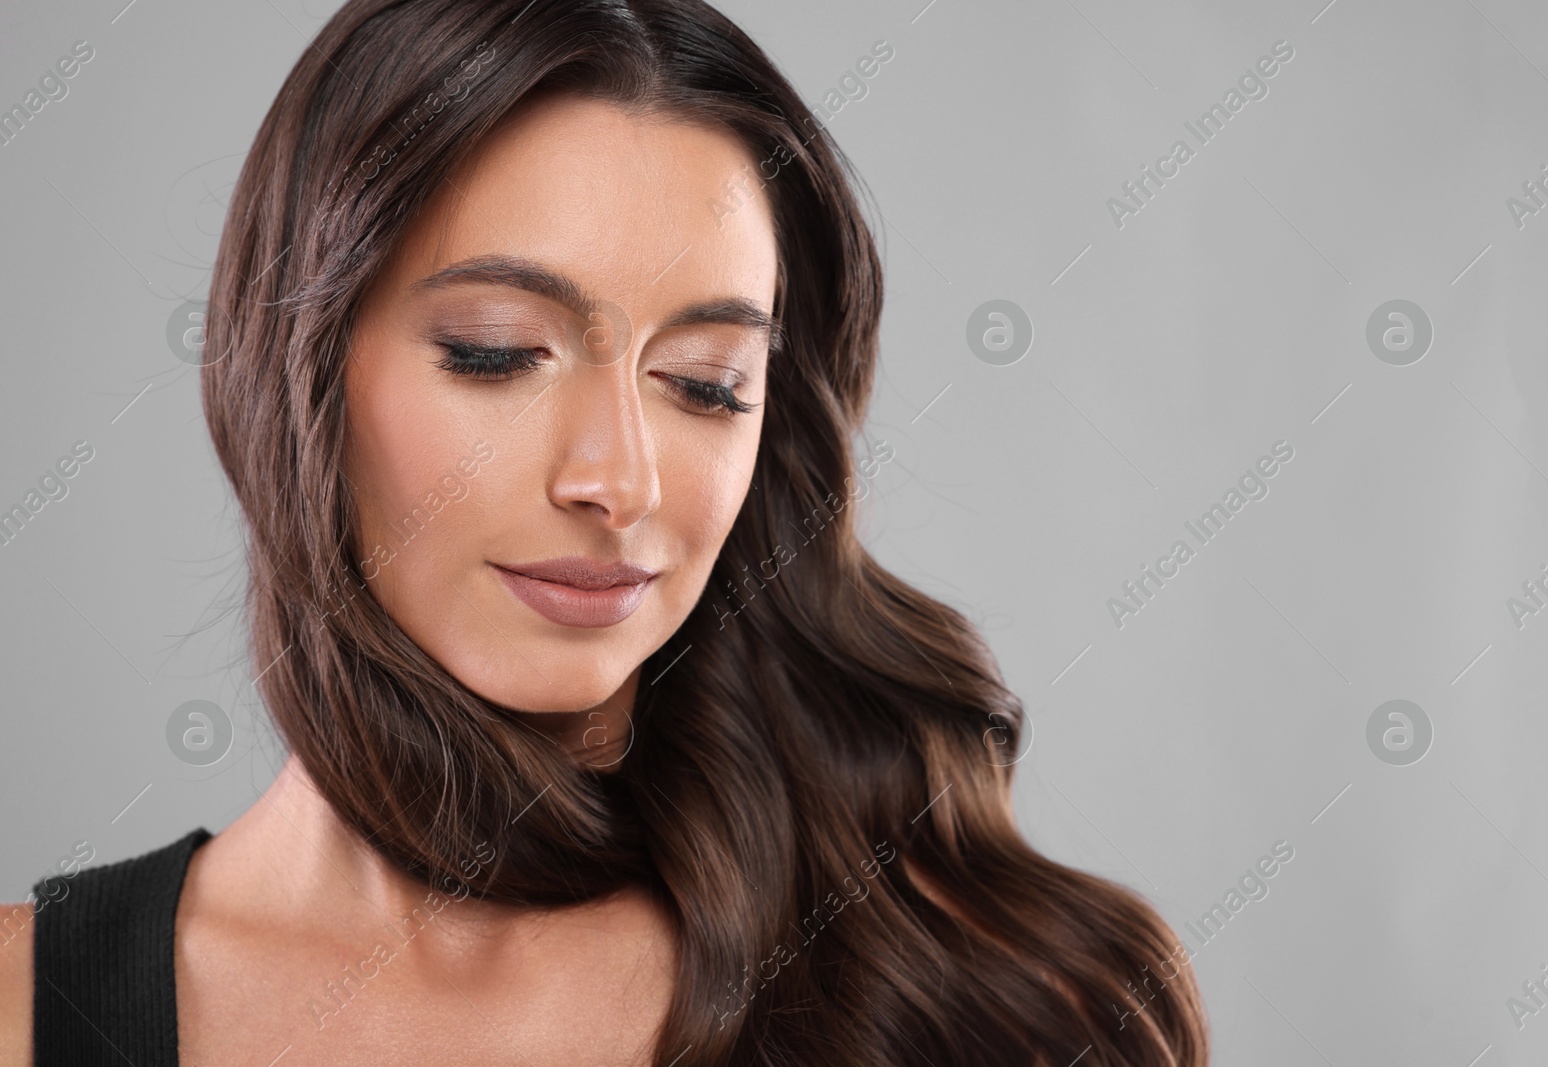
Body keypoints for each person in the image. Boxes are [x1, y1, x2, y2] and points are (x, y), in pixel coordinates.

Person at [0, 0, 1210, 1063]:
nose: (617, 478)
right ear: (292, 376)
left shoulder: (1009, 1002)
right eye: (495, 353)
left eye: (705, 382)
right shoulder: (22, 1008)